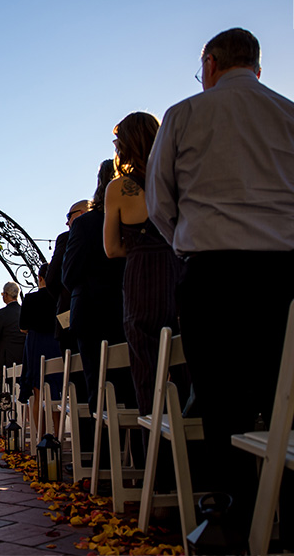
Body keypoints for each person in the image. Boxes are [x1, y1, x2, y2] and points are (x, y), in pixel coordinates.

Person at [146, 27, 294, 538]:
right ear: (258, 67)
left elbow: (159, 201)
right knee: (284, 394)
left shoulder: (185, 114)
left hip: (214, 272)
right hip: (285, 274)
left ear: (211, 62)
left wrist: (190, 238)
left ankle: (230, 518)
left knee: (221, 402)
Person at [104, 113, 185, 423]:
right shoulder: (178, 180)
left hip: (141, 277)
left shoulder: (119, 188)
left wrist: (139, 247)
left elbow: (112, 248)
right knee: (183, 359)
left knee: (146, 364)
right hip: (177, 269)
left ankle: (155, 456)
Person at [62, 160, 130, 407]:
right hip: (129, 306)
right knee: (133, 387)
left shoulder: (86, 223)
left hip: (91, 314)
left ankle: (100, 444)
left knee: (97, 387)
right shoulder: (141, 216)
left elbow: (68, 275)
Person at [45, 200, 93, 356]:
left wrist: (62, 298)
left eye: (69, 215)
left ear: (82, 214)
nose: (66, 222)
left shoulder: (67, 238)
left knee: (75, 374)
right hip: (110, 316)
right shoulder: (109, 230)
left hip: (73, 315)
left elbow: (51, 278)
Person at [18, 264, 61, 421]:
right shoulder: (60, 297)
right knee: (57, 392)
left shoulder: (30, 299)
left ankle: (39, 438)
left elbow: (23, 327)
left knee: (37, 391)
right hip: (56, 344)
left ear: (40, 278)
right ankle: (57, 436)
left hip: (36, 346)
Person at [0, 282, 26, 396]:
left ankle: (5, 414)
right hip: (24, 358)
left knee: (5, 395)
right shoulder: (24, 311)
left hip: (4, 360)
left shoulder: (1, 314)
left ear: (5, 295)